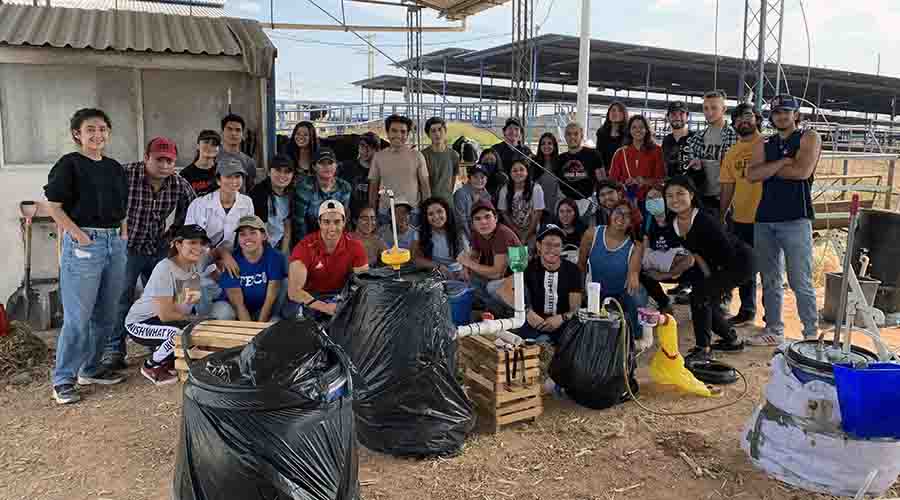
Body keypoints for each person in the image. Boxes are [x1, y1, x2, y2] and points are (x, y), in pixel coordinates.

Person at [44, 108, 129, 404]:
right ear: (77, 134)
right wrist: (79, 236)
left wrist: (123, 234)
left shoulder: (116, 168)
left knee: (106, 314)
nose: (97, 134)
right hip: (84, 243)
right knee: (78, 317)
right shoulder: (70, 164)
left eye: (103, 129)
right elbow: (54, 206)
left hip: (114, 243)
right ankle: (63, 379)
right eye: (90, 129)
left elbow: (122, 208)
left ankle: (90, 369)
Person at [104, 136, 197, 372]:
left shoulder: (179, 184)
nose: (165, 165)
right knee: (121, 297)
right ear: (146, 157)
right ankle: (114, 350)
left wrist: (173, 238)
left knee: (161, 299)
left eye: (170, 161)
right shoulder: (125, 175)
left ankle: (157, 345)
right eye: (159, 159)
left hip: (157, 248)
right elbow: (102, 199)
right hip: (127, 248)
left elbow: (192, 213)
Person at [747, 94, 822, 345]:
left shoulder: (808, 137)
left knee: (800, 279)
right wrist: (782, 162)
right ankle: (773, 328)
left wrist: (770, 168)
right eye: (777, 112)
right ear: (772, 116)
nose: (781, 116)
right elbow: (752, 175)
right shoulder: (764, 143)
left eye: (786, 112)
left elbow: (802, 172)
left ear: (796, 115)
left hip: (796, 218)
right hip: (765, 218)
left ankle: (810, 332)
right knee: (769, 279)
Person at [665, 176, 749, 362]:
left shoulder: (705, 219)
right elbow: (696, 253)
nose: (675, 199)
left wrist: (717, 285)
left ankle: (703, 348)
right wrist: (707, 278)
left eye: (680, 193)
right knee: (704, 298)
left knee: (700, 296)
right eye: (669, 195)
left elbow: (727, 252)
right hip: (713, 264)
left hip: (738, 262)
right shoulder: (674, 224)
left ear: (692, 195)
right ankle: (731, 341)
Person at [124, 225, 214, 386]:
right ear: (178, 245)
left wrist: (196, 320)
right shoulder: (164, 268)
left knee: (193, 329)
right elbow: (166, 315)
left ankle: (167, 361)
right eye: (192, 242)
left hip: (162, 320)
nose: (198, 248)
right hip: (139, 322)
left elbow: (184, 308)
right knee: (177, 334)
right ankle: (150, 366)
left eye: (201, 243)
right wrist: (196, 319)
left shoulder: (193, 269)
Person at [496, 224, 583, 344]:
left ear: (562, 248)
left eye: (557, 245)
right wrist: (526, 311)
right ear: (539, 246)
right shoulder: (530, 266)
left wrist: (562, 318)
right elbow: (503, 290)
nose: (552, 249)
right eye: (547, 244)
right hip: (534, 324)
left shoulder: (572, 270)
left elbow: (575, 307)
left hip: (562, 326)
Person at [720, 103, 765, 327]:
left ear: (757, 118)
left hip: (767, 219)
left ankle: (772, 317)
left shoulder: (767, 144)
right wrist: (721, 214)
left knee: (769, 269)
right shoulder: (732, 152)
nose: (742, 121)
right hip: (741, 219)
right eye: (737, 119)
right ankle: (747, 310)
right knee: (746, 265)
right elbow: (728, 186)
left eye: (747, 116)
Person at [286, 200, 369, 319]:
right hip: (310, 298)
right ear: (319, 222)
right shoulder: (304, 247)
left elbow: (363, 283)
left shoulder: (355, 247)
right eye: (326, 222)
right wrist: (325, 307)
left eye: (337, 222)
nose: (332, 228)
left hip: (340, 295)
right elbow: (293, 292)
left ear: (344, 222)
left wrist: (344, 303)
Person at [578, 199, 645, 335]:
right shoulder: (592, 233)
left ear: (631, 222)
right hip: (596, 292)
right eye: (618, 212)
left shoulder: (636, 246)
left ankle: (636, 337)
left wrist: (633, 276)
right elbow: (581, 264)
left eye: (627, 215)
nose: (621, 217)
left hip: (621, 293)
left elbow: (633, 274)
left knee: (635, 295)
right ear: (610, 214)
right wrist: (581, 291)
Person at [185, 156, 255, 284]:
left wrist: (229, 258)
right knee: (195, 289)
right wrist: (214, 265)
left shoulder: (247, 203)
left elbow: (246, 237)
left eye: (237, 176)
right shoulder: (200, 204)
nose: (234, 181)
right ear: (218, 180)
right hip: (199, 259)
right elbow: (191, 243)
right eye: (228, 176)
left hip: (232, 258)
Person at [211, 216, 287, 322]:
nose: (248, 238)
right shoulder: (232, 260)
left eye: (253, 233)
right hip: (235, 310)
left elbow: (270, 298)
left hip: (262, 310)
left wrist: (259, 329)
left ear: (264, 236)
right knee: (223, 313)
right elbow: (238, 305)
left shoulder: (275, 257)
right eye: (242, 234)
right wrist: (250, 333)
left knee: (276, 322)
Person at [457, 199, 522, 314]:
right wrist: (465, 268)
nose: (483, 222)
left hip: (520, 278)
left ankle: (504, 313)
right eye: (478, 219)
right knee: (463, 279)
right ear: (472, 223)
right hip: (498, 277)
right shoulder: (478, 233)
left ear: (495, 219)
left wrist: (468, 263)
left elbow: (497, 273)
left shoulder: (503, 234)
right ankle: (490, 307)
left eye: (487, 217)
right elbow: (474, 255)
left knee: (491, 287)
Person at [368, 114, 430, 226]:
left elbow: (425, 187)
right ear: (387, 132)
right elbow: (373, 188)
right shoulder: (378, 157)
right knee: (386, 243)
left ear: (407, 134)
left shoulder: (417, 156)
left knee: (412, 243)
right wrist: (372, 214)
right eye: (394, 131)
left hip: (412, 213)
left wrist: (427, 212)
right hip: (385, 213)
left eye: (403, 132)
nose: (398, 135)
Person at [639, 184, 692, 314]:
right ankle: (664, 302)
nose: (652, 201)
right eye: (649, 198)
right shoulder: (648, 220)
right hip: (658, 263)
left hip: (680, 267)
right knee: (639, 269)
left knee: (687, 259)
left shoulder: (678, 219)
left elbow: (689, 252)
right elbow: (645, 247)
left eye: (656, 197)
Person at [687, 90, 737, 219]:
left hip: (724, 199)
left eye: (714, 108)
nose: (709, 112)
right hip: (700, 198)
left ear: (724, 109)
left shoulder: (734, 136)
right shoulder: (696, 137)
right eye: (706, 108)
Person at [293, 148, 352, 244]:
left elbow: (343, 217)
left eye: (330, 163)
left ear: (336, 165)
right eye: (322, 163)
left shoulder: (345, 187)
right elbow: (299, 223)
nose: (327, 167)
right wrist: (306, 246)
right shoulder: (304, 188)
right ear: (314, 167)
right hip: (310, 237)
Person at [609, 115, 665, 204]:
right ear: (629, 130)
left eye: (641, 127)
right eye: (634, 127)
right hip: (626, 201)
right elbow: (612, 180)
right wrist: (624, 183)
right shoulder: (620, 153)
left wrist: (644, 181)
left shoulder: (657, 151)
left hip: (650, 201)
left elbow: (660, 179)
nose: (637, 130)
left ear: (647, 130)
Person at [557, 122, 605, 216]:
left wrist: (598, 200)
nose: (572, 137)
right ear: (565, 136)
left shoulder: (594, 154)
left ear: (582, 135)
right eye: (569, 134)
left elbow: (602, 182)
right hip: (567, 206)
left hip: (589, 205)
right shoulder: (560, 158)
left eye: (576, 134)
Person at [250, 154, 295, 254]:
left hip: (280, 243)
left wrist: (283, 253)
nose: (282, 175)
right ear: (269, 172)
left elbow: (287, 225)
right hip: (259, 245)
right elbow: (259, 228)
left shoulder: (291, 194)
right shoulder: (258, 193)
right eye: (278, 170)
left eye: (287, 171)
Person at [413, 197, 468, 275]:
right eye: (431, 214)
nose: (436, 217)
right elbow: (416, 259)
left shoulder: (457, 229)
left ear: (446, 212)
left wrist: (464, 271)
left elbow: (468, 255)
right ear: (425, 217)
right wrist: (438, 266)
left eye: (440, 211)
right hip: (435, 272)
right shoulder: (420, 232)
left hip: (459, 271)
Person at [498, 158, 545, 245]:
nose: (518, 173)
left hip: (532, 231)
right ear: (510, 174)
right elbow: (504, 213)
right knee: (516, 257)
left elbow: (538, 213)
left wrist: (526, 235)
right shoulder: (504, 190)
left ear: (527, 172)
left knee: (529, 257)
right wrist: (517, 232)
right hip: (512, 232)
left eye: (521, 170)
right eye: (514, 171)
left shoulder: (536, 188)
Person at [339, 131, 380, 222]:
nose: (365, 151)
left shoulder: (381, 171)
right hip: (351, 218)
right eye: (362, 146)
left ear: (377, 150)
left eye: (370, 147)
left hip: (372, 218)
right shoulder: (346, 167)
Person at [422, 116, 460, 204]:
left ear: (445, 131)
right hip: (429, 201)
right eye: (433, 131)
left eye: (440, 130)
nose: (437, 134)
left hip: (447, 201)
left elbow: (453, 178)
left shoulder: (453, 155)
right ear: (428, 134)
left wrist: (448, 194)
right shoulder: (423, 155)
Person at [454, 163, 492, 242]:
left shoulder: (487, 195)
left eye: (482, 177)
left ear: (486, 179)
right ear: (469, 178)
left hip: (482, 233)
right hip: (465, 235)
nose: (479, 180)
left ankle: (520, 252)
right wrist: (472, 239)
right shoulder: (461, 194)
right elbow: (461, 221)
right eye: (475, 177)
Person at [218, 113, 257, 190]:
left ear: (242, 135)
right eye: (229, 129)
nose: (233, 133)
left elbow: (250, 189)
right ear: (222, 132)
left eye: (238, 130)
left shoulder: (249, 162)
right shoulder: (213, 158)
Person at [180, 130, 221, 196]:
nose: (209, 146)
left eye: (214, 144)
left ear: (218, 149)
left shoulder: (223, 171)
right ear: (198, 146)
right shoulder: (185, 174)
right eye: (206, 142)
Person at [661, 101, 696, 179]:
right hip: (670, 187)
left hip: (691, 188)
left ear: (687, 117)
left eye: (681, 114)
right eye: (673, 114)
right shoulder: (666, 140)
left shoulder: (696, 138)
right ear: (667, 117)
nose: (677, 117)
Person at [532, 132, 562, 222]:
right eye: (543, 143)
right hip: (538, 210)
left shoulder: (560, 162)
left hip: (556, 208)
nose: (546, 146)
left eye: (549, 143)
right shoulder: (534, 163)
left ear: (555, 146)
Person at [595, 101, 629, 169]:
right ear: (608, 114)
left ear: (624, 114)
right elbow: (598, 155)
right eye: (613, 110)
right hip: (604, 172)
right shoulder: (601, 132)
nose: (616, 113)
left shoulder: (628, 133)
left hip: (622, 173)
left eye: (619, 111)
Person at [554, 198, 587, 264]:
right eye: (561, 211)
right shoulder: (553, 229)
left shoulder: (583, 230)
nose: (565, 215)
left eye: (569, 211)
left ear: (575, 213)